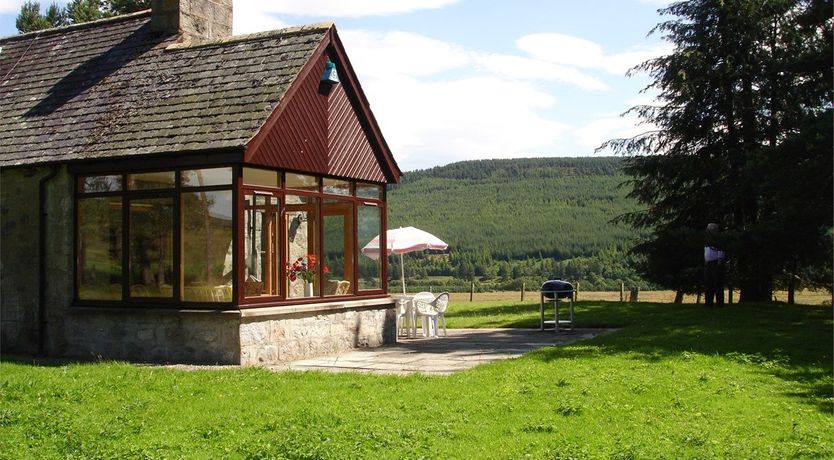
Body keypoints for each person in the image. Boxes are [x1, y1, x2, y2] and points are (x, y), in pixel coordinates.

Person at [704, 223, 726, 307]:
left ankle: (719, 303)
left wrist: (720, 260)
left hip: (715, 263)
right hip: (708, 263)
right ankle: (708, 303)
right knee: (708, 283)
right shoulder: (707, 240)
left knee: (717, 283)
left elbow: (721, 249)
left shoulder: (718, 239)